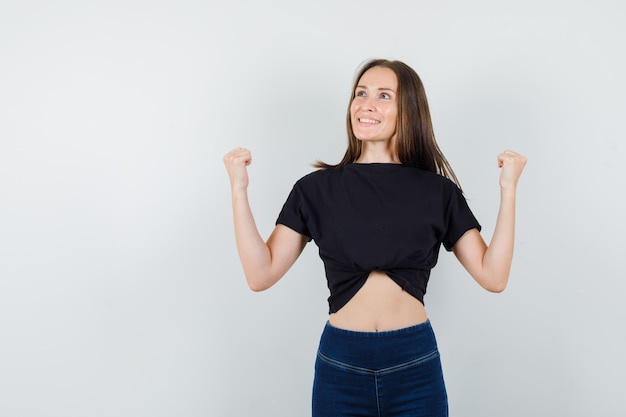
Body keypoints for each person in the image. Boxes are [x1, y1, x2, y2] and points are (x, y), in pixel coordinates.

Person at [223, 58, 527, 417]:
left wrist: (508, 190)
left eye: (383, 95)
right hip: (341, 366)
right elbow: (261, 274)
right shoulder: (315, 190)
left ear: (408, 111)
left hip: (414, 363)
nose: (366, 104)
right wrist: (238, 190)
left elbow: (493, 276)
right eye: (360, 93)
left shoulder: (437, 192)